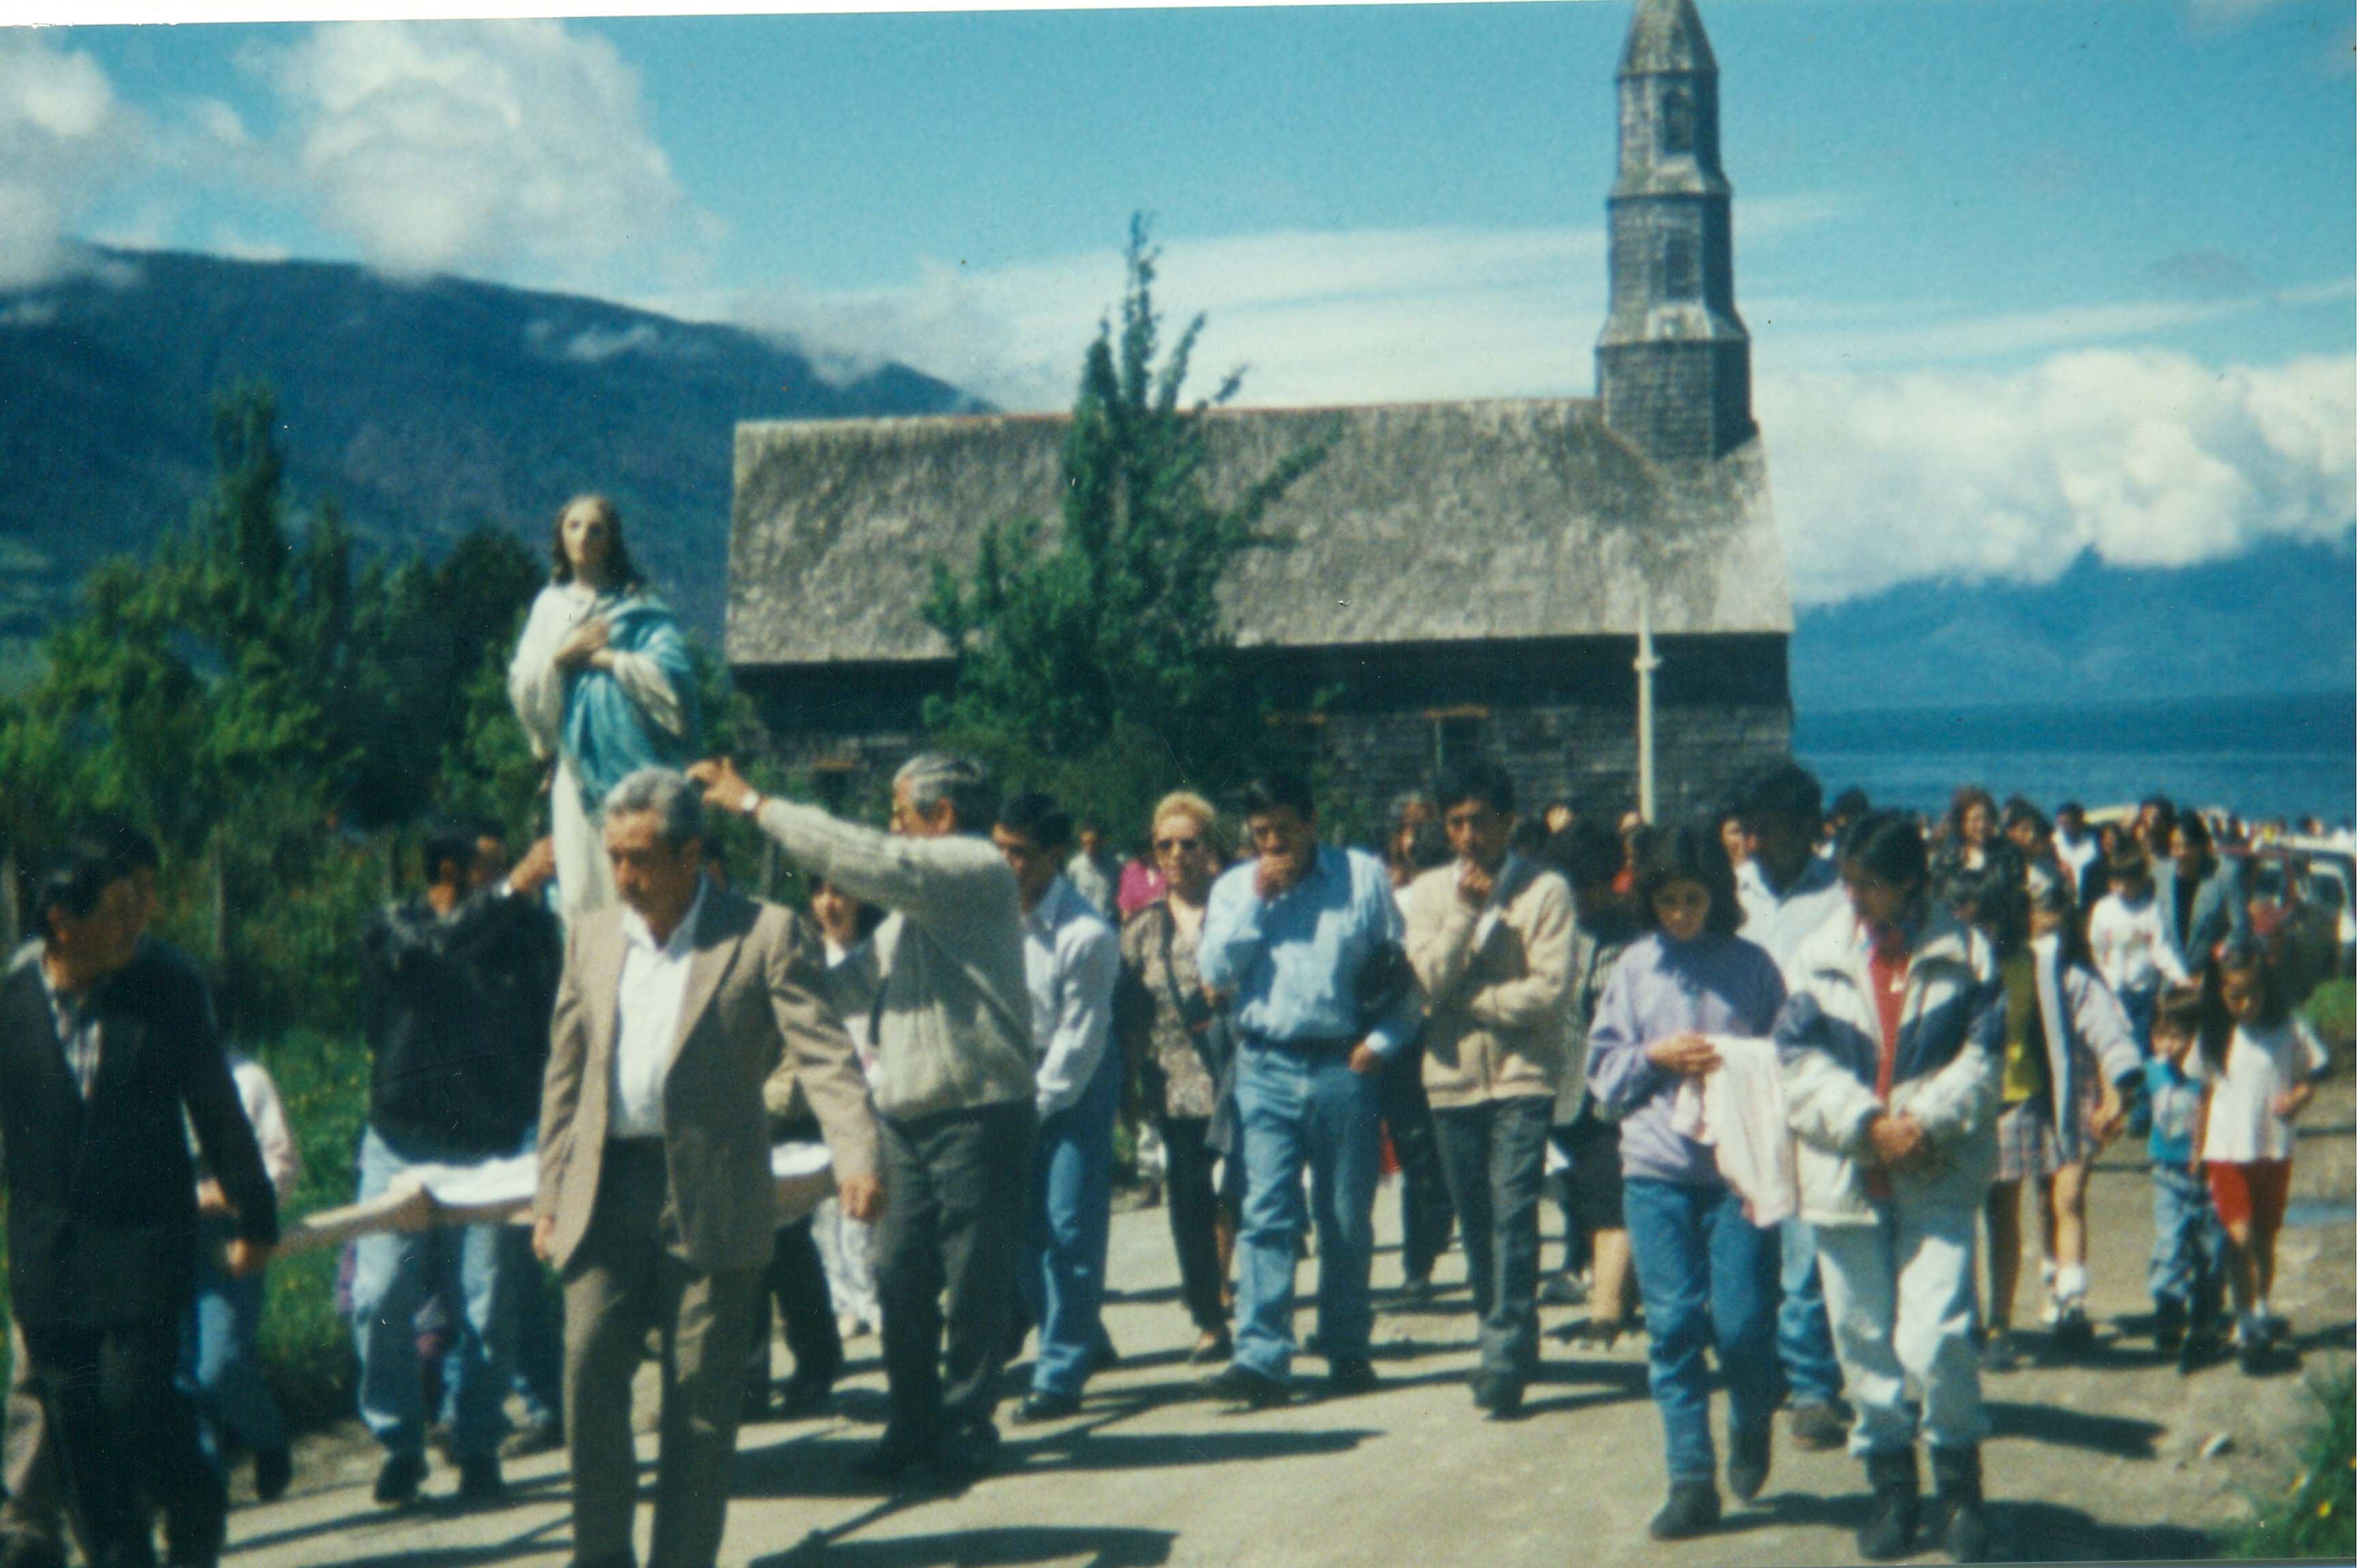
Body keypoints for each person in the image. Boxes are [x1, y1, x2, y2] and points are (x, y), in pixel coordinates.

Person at [533, 768, 880, 1568]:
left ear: (691, 852)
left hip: (713, 1196)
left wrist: (856, 1152)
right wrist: (550, 1193)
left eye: (640, 857)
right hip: (605, 1188)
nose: (623, 875)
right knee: (588, 1377)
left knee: (696, 1406)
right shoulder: (590, 935)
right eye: (614, 856)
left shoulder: (763, 933)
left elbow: (825, 1054)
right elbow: (565, 1074)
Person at [691, 751, 1037, 1481]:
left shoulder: (973, 868)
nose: (890, 825)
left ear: (943, 817)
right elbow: (845, 979)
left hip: (979, 1109)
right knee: (897, 1272)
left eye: (900, 810)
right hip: (908, 1116)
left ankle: (967, 1423)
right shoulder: (915, 918)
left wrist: (757, 804)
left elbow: (861, 857)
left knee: (972, 1280)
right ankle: (913, 1426)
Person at [0, 832, 280, 1568]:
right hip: (48, 1258)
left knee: (134, 1401)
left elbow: (219, 1109)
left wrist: (255, 1214)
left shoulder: (166, 992)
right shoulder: (10, 1008)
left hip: (140, 1245)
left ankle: (193, 1495)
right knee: (76, 1427)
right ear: (63, 918)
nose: (136, 923)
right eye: (118, 909)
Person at [1775, 811, 2005, 1563]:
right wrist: (1866, 1121)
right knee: (1862, 1337)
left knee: (1935, 1330)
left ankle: (1960, 1482)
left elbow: (1984, 1060)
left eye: (1865, 881)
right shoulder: (1815, 956)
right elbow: (1796, 1063)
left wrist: (1919, 1120)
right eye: (1845, 879)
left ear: (1909, 880)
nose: (1852, 894)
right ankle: (1891, 1488)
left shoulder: (1968, 953)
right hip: (1845, 1170)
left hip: (1933, 1168)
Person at [1196, 771, 1423, 1409]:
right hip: (1265, 1062)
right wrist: (1254, 904)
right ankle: (1262, 1355)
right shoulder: (1235, 888)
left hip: (1341, 1064)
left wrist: (1379, 1044)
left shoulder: (1361, 876)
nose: (1274, 846)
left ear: (1312, 824)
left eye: (1285, 832)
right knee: (1266, 1211)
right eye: (1261, 834)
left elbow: (1398, 972)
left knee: (1345, 1216)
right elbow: (1214, 972)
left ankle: (1346, 1344)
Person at [1586, 824, 1788, 1540]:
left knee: (1739, 1321)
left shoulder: (1754, 965)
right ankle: (1690, 1477)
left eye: (1694, 898)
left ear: (1718, 895)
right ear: (1649, 899)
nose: (1681, 913)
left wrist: (1743, 1060)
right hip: (1655, 1168)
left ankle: (1751, 1411)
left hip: (1736, 1171)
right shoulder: (1634, 969)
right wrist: (1654, 1055)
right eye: (1667, 900)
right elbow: (1603, 1074)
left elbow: (1787, 1057)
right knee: (1672, 1324)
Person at [352, 821, 561, 1506]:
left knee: (489, 1301)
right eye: (491, 869)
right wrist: (514, 888)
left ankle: (476, 1441)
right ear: (448, 870)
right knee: (379, 1294)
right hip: (401, 1136)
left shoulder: (527, 931)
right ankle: (400, 1442)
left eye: (510, 870)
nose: (510, 882)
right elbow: (438, 954)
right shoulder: (395, 925)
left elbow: (551, 1017)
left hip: (492, 1142)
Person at [1401, 760, 1574, 1418]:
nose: (1468, 836)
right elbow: (1422, 987)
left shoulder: (1545, 890)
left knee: (1511, 1210)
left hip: (1522, 1075)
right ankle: (1502, 1331)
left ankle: (1503, 1356)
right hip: (1450, 1079)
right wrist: (1463, 920)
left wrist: (1472, 999)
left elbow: (1548, 994)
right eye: (1456, 823)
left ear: (1506, 822)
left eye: (1480, 821)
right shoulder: (1426, 893)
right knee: (1474, 1220)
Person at [1728, 762, 1853, 1452]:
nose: (1757, 844)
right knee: (1749, 1240)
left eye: (1771, 831)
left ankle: (1812, 1384)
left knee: (1804, 1245)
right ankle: (1760, 1371)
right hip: (1744, 1087)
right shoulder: (1734, 892)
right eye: (1751, 831)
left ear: (1810, 827)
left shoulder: (1838, 896)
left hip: (1812, 1082)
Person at [1968, 871, 2137, 1371]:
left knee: (2056, 1201)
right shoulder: (1981, 965)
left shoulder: (2058, 972)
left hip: (2044, 1102)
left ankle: (2050, 1306)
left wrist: (2116, 1091)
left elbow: (2108, 1030)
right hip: (1988, 1100)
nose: (2046, 925)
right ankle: (2011, 1309)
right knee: (2010, 1211)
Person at [991, 794, 1123, 1423]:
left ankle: (1060, 1372)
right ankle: (1080, 1331)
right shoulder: (989, 919)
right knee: (1019, 1226)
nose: (1005, 863)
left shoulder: (1086, 935)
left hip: (1077, 1080)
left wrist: (1033, 1109)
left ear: (1055, 856)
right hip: (1012, 1068)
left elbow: (1079, 1042)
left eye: (1019, 853)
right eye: (999, 848)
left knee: (1067, 1223)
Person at [508, 494, 700, 922]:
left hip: (634, 764)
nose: (585, 537)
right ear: (560, 535)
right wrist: (562, 657)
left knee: (637, 877)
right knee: (582, 883)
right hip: (577, 768)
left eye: (596, 528)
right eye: (574, 526)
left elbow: (676, 680)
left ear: (612, 539)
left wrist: (609, 661)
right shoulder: (550, 607)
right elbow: (524, 687)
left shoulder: (638, 606)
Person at [1115, 792, 1241, 1364]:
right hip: (1176, 1081)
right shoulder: (1141, 931)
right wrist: (1127, 1085)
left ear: (1210, 847)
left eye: (1188, 844)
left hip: (1244, 1075)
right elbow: (1128, 1012)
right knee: (1188, 1200)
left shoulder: (1240, 910)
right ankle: (1208, 1314)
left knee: (1245, 1194)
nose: (1175, 856)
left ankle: (1251, 1293)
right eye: (1163, 846)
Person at [2187, 938, 2329, 1375]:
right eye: (2235, 995)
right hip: (2227, 1150)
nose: (2245, 1003)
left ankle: (2262, 1308)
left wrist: (2299, 1098)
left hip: (2272, 1147)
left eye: (2254, 992)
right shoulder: (2214, 1033)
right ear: (2221, 994)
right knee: (2241, 1236)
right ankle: (2245, 1319)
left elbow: (2314, 1072)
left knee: (2265, 1238)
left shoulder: (2286, 1027)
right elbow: (2205, 1095)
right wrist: (2196, 1150)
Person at [183, 1039, 303, 1499]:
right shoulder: (141, 1082)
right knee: (179, 1371)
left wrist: (237, 1197)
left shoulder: (246, 1079)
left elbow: (281, 1161)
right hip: (164, 1238)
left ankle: (268, 1438)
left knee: (220, 1362)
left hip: (227, 1235)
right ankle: (204, 1494)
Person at [1540, 821, 1639, 1344]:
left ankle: (1606, 1312)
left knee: (1609, 1197)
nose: (1577, 897)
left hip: (1618, 1092)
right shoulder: (1557, 929)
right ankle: (1617, 1295)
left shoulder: (1637, 933)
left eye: (1585, 885)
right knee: (1579, 1196)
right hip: (1562, 1090)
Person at [2143, 984, 2230, 1371]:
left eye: (2178, 1035)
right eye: (2161, 1034)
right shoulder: (2153, 1071)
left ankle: (2206, 1320)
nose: (2168, 1044)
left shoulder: (2206, 1076)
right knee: (2170, 1241)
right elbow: (2131, 1100)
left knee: (2209, 1250)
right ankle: (2168, 1309)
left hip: (2207, 1178)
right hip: (2167, 1175)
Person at [2088, 847, 2189, 1053]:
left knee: (2141, 1046)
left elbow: (2161, 950)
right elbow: (2097, 948)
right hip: (2113, 989)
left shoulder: (2150, 910)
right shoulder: (2103, 909)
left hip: (2145, 992)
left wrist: (2181, 977)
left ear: (2141, 881)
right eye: (2117, 882)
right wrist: (2102, 981)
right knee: (2116, 1045)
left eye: (2128, 882)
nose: (2122, 888)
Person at [2154, 813, 2250, 975]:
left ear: (2200, 846)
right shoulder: (2160, 874)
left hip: (2209, 976)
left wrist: (2225, 949)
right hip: (2170, 979)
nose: (2181, 853)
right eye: (2175, 847)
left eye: (2187, 846)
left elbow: (2241, 926)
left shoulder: (2223, 874)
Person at [1064, 820, 1124, 920]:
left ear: (1101, 841)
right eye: (1085, 844)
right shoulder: (1074, 867)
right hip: (1085, 921)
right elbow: (1068, 898)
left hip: (1111, 921)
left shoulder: (1116, 864)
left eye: (1093, 843)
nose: (1089, 848)